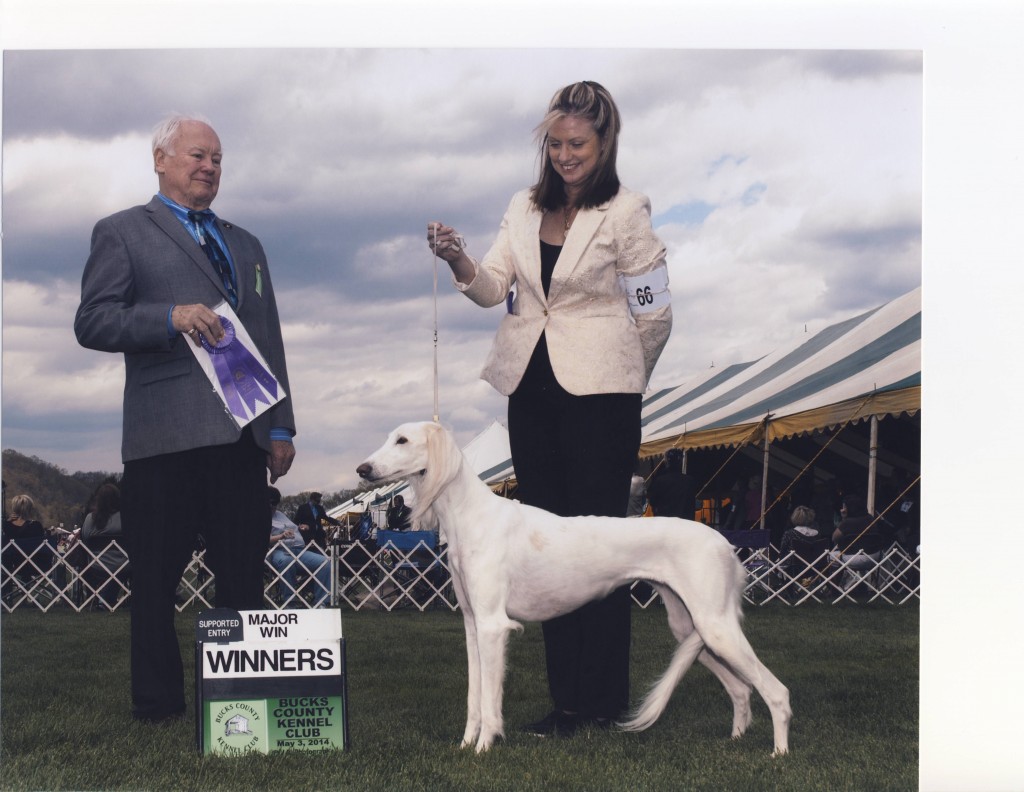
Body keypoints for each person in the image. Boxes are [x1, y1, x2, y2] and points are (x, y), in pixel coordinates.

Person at [427, 81, 672, 736]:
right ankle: (567, 702)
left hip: (603, 400)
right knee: (544, 547)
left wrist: (625, 375)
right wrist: (458, 259)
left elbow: (655, 313)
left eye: (579, 145)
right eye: (556, 144)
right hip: (530, 394)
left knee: (598, 547)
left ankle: (602, 700)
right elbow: (492, 289)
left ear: (604, 142)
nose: (566, 156)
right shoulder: (522, 208)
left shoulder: (626, 211)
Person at [74, 114, 296, 723]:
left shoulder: (247, 243)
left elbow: (268, 339)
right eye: (198, 155)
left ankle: (239, 702)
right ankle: (158, 705)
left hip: (243, 438)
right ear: (160, 159)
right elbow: (92, 321)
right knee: (154, 584)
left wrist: (280, 427)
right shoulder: (120, 231)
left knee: (244, 579)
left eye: (218, 159)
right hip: (163, 442)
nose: (209, 167)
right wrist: (167, 317)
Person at [267, 487, 331, 608]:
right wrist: (281, 536)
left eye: (275, 503)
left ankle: (321, 602)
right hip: (277, 551)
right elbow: (263, 540)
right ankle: (290, 602)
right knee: (288, 561)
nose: (273, 506)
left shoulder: (280, 514)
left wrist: (301, 527)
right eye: (271, 503)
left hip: (299, 551)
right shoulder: (258, 517)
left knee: (325, 562)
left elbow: (292, 527)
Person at [80, 482, 131, 610]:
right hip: (126, 566)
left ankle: (97, 599)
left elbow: (85, 540)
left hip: (97, 567)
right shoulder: (127, 518)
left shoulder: (90, 519)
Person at [646, 448, 696, 519]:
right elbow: (691, 505)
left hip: (665, 522)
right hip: (684, 523)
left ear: (667, 462)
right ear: (680, 462)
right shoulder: (689, 481)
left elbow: (652, 502)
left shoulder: (660, 481)